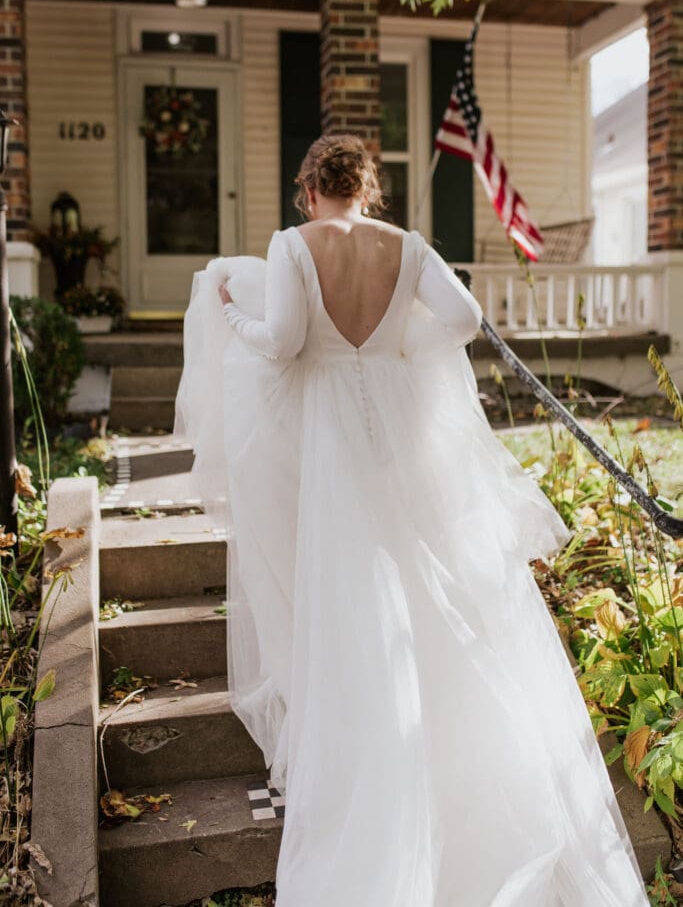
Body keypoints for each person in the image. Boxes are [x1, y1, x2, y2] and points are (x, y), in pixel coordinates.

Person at [175, 134, 650, 907]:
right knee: (431, 580)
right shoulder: (408, 245)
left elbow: (286, 343)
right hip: (397, 424)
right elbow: (462, 319)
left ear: (307, 191)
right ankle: (453, 756)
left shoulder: (292, 245)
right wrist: (398, 348)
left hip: (331, 426)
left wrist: (232, 318)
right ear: (370, 188)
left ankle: (374, 768)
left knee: (355, 590)